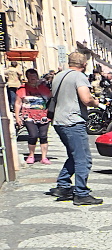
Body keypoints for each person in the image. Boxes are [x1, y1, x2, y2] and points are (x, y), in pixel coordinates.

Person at [46, 51, 102, 205]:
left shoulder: (58, 76)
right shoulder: (79, 77)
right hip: (73, 121)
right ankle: (81, 193)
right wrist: (95, 102)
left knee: (73, 155)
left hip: (59, 120)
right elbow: (85, 98)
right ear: (84, 64)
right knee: (84, 159)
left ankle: (63, 185)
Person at [14, 68, 52, 164]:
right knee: (33, 135)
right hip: (28, 115)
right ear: (27, 78)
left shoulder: (44, 88)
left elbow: (51, 98)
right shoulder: (22, 89)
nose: (33, 78)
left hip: (43, 115)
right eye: (30, 77)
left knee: (43, 136)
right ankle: (31, 155)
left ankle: (44, 157)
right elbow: (18, 103)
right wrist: (17, 116)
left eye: (34, 76)